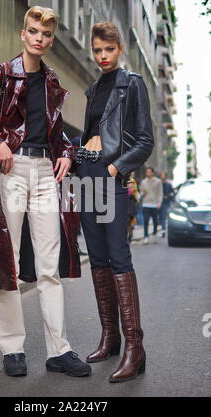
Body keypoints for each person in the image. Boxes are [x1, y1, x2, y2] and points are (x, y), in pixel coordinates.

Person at [0, 6, 90, 378]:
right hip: (11, 171)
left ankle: (59, 350)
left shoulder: (52, 82)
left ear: (50, 39)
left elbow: (55, 130)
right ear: (22, 33)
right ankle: (13, 348)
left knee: (50, 266)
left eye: (46, 34)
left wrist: (65, 154)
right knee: (8, 262)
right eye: (33, 31)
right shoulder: (1, 73)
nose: (39, 39)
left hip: (45, 172)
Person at [75, 22, 154, 382]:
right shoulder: (93, 90)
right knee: (98, 258)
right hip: (87, 177)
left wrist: (113, 168)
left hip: (110, 178)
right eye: (97, 50)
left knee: (119, 257)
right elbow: (92, 134)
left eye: (108, 49)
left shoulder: (131, 85)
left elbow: (144, 141)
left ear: (120, 48)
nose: (102, 56)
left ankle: (134, 349)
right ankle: (111, 336)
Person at [140, 167, 163, 244]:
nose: (148, 173)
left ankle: (154, 233)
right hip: (146, 204)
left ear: (153, 173)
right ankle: (146, 237)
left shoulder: (158, 181)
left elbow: (160, 193)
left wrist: (159, 202)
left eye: (149, 172)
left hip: (154, 204)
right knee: (145, 221)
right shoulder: (143, 182)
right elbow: (141, 193)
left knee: (155, 221)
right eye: (147, 172)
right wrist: (142, 194)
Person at [158, 171, 174, 237]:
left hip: (165, 202)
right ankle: (160, 229)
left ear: (165, 176)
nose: (162, 176)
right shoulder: (158, 184)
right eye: (161, 175)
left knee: (163, 216)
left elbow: (172, 193)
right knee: (160, 217)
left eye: (163, 175)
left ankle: (163, 230)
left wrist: (168, 196)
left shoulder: (169, 184)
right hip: (158, 202)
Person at [127, 174, 139, 242]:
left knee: (129, 221)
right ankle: (129, 235)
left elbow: (134, 192)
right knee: (126, 221)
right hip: (123, 202)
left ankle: (130, 235)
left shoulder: (132, 181)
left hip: (131, 203)